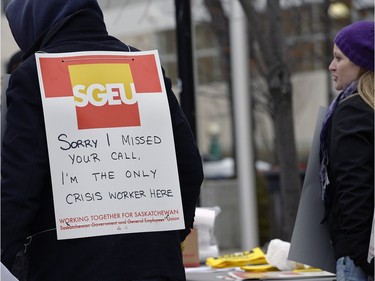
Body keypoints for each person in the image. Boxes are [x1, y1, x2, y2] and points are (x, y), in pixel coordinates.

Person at [1, 0, 204, 280]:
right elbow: (189, 166)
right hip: (155, 264)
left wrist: (7, 257)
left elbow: (20, 186)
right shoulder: (142, 67)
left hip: (68, 265)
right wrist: (165, 237)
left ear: (32, 24)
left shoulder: (35, 75)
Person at [319, 21, 374, 280]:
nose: (331, 66)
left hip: (359, 260)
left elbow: (355, 187)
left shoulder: (352, 110)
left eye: (339, 58)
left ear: (361, 63)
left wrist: (358, 256)